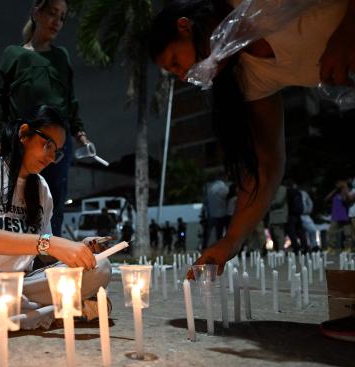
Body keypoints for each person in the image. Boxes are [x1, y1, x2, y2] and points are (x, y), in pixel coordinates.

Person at [150, 0, 355, 268]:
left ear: (185, 27)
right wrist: (231, 241)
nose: (183, 77)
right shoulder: (250, 76)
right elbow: (266, 164)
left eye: (176, 62)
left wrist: (347, 30)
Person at [0, 105, 112, 332]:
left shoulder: (41, 189)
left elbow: (43, 255)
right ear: (24, 133)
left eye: (56, 151)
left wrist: (77, 249)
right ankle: (62, 311)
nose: (50, 157)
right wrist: (50, 243)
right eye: (47, 145)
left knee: (101, 267)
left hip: (21, 285)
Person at [0, 0, 93, 237]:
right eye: (52, 13)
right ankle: (16, 252)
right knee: (17, 195)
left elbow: (70, 99)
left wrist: (80, 134)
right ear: (37, 11)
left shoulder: (61, 57)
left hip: (57, 140)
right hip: (23, 137)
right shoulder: (14, 54)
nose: (57, 22)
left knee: (54, 196)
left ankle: (49, 254)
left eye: (63, 17)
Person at [202, 174, 229, 249]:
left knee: (208, 233)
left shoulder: (210, 188)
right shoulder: (224, 188)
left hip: (211, 214)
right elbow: (227, 199)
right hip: (221, 214)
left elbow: (206, 202)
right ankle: (219, 247)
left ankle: (204, 247)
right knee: (219, 233)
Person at [325, 179, 352, 251]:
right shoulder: (335, 194)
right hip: (335, 216)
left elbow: (348, 199)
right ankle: (331, 248)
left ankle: (348, 248)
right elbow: (326, 199)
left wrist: (345, 187)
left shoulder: (347, 193)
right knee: (331, 233)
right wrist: (336, 189)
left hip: (345, 216)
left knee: (347, 234)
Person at [285, 181, 309, 254]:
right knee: (300, 231)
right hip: (298, 214)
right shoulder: (298, 192)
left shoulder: (288, 192)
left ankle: (296, 247)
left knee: (291, 232)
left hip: (291, 214)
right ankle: (304, 246)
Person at [268, 185, 288, 252]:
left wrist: (266, 203)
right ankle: (277, 250)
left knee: (279, 234)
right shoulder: (273, 187)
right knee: (274, 234)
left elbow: (279, 201)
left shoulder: (281, 188)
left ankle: (281, 250)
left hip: (279, 216)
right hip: (273, 216)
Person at [300, 185, 320, 251]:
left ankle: (314, 246)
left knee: (312, 229)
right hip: (295, 215)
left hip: (305, 215)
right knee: (301, 232)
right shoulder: (296, 192)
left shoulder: (304, 193)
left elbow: (310, 203)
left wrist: (308, 211)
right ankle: (305, 247)